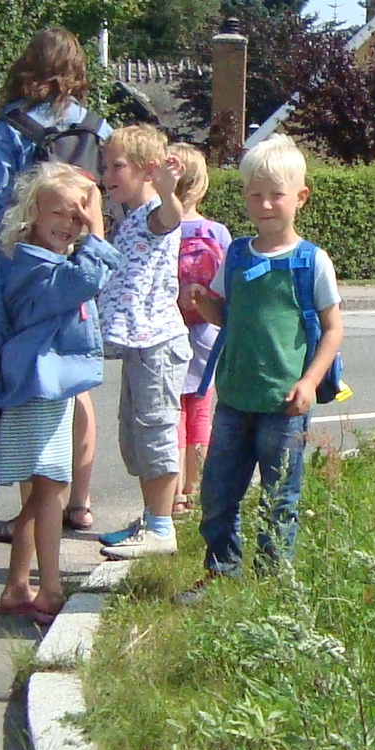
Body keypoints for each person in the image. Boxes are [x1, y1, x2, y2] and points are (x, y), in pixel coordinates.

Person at [178, 136, 342, 593]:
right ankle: (220, 571)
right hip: (233, 398)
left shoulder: (311, 262)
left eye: (276, 194)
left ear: (301, 197)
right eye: (255, 194)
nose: (265, 204)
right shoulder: (236, 254)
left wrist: (309, 382)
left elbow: (332, 329)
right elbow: (224, 314)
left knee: (279, 498)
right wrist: (202, 300)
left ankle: (272, 583)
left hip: (285, 404)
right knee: (216, 493)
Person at [0, 28, 111, 536]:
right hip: (84, 261)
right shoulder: (96, 128)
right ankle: (79, 502)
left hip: (28, 264)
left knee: (34, 377)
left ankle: (33, 511)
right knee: (76, 382)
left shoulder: (11, 128)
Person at [0, 161, 117, 622]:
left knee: (41, 489)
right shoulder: (30, 263)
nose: (68, 224)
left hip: (43, 383)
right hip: (37, 384)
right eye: (59, 212)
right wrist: (97, 230)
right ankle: (49, 590)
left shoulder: (32, 258)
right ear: (32, 211)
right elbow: (86, 280)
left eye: (77, 217)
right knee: (50, 486)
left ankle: (18, 584)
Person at [93, 126, 189, 559]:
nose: (107, 176)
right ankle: (151, 516)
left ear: (147, 170)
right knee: (136, 438)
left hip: (158, 345)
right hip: (139, 346)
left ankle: (161, 528)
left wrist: (167, 192)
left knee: (155, 432)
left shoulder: (153, 213)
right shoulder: (131, 217)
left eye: (117, 166)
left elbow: (170, 218)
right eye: (105, 166)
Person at [165, 145, 230, 515]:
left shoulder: (161, 228)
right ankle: (196, 488)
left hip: (170, 329)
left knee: (173, 412)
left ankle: (172, 494)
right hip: (207, 331)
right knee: (201, 411)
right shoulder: (216, 232)